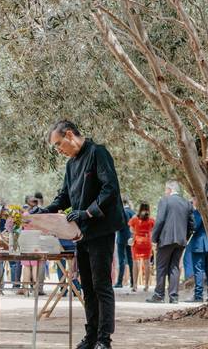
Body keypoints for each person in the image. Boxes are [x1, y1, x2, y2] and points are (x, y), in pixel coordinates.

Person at [43, 120, 125, 349]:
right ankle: (90, 337)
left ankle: (104, 340)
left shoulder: (98, 153)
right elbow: (64, 197)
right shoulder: (71, 165)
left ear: (69, 135)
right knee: (86, 287)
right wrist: (43, 211)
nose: (59, 150)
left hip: (101, 230)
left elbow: (110, 189)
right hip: (81, 234)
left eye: (59, 144)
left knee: (101, 286)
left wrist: (88, 213)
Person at [148, 180, 194, 304]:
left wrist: (154, 238)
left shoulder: (165, 200)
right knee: (174, 267)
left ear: (169, 189)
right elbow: (192, 225)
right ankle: (174, 297)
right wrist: (185, 237)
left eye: (165, 189)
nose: (165, 192)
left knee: (161, 267)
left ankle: (159, 295)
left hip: (166, 239)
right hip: (180, 241)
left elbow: (160, 220)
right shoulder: (187, 203)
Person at [187, 198, 208, 302]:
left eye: (193, 199)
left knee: (198, 270)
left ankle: (198, 295)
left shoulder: (197, 213)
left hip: (199, 245)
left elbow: (195, 227)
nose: (192, 201)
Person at [128, 203, 154, 292]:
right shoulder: (151, 220)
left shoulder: (135, 219)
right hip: (147, 242)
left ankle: (135, 285)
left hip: (137, 242)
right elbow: (153, 230)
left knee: (136, 263)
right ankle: (146, 285)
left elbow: (131, 229)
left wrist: (136, 230)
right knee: (147, 264)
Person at [113, 198, 135, 290]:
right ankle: (133, 282)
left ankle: (119, 282)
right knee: (131, 260)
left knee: (121, 260)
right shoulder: (133, 213)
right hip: (131, 238)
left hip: (121, 238)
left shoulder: (121, 212)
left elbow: (118, 225)